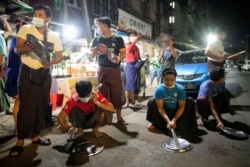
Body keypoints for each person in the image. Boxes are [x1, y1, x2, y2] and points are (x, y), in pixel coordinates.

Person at [9, 4, 63, 157]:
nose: (36, 17)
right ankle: (20, 140)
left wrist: (49, 63)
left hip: (44, 74)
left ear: (48, 19)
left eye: (40, 15)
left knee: (41, 105)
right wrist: (27, 49)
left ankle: (35, 136)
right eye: (35, 14)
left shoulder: (54, 36)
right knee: (26, 106)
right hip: (27, 71)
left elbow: (59, 56)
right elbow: (17, 49)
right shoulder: (26, 29)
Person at [90, 16, 127, 125]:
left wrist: (118, 59)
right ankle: (104, 118)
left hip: (114, 69)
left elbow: (123, 53)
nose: (98, 27)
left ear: (105, 26)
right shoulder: (96, 39)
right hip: (102, 69)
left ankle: (119, 117)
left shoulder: (118, 38)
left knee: (117, 93)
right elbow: (91, 55)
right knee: (102, 93)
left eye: (99, 25)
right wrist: (94, 52)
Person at [146, 68, 197, 134]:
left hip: (177, 111)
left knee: (190, 101)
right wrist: (168, 121)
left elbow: (181, 107)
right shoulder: (159, 89)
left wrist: (174, 120)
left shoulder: (180, 89)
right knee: (151, 101)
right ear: (163, 79)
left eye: (172, 80)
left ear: (175, 79)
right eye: (166, 80)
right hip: (165, 112)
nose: (169, 82)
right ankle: (156, 123)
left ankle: (185, 125)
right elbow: (160, 108)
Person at [5, 18, 27, 136]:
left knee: (17, 102)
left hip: (13, 72)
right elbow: (23, 60)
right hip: (20, 74)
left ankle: (17, 129)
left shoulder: (13, 40)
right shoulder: (24, 41)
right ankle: (20, 129)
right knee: (20, 103)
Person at [123, 30, 142, 108]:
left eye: (135, 36)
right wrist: (135, 41)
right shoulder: (127, 44)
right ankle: (127, 101)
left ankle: (136, 100)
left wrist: (142, 58)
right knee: (129, 83)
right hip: (130, 65)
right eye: (132, 36)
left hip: (136, 64)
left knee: (137, 83)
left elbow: (138, 56)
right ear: (129, 37)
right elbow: (128, 50)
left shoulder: (137, 47)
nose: (134, 37)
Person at [0, 15, 12, 113]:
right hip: (2, 68)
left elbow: (9, 31)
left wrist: (5, 21)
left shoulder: (1, 36)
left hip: (2, 67)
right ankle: (6, 108)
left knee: (4, 89)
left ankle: (7, 108)